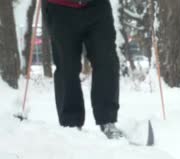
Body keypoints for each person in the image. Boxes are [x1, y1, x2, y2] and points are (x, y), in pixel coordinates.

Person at [42, 0, 123, 139]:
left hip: (97, 7)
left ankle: (107, 120)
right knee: (67, 66)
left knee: (107, 60)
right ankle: (71, 124)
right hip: (60, 8)